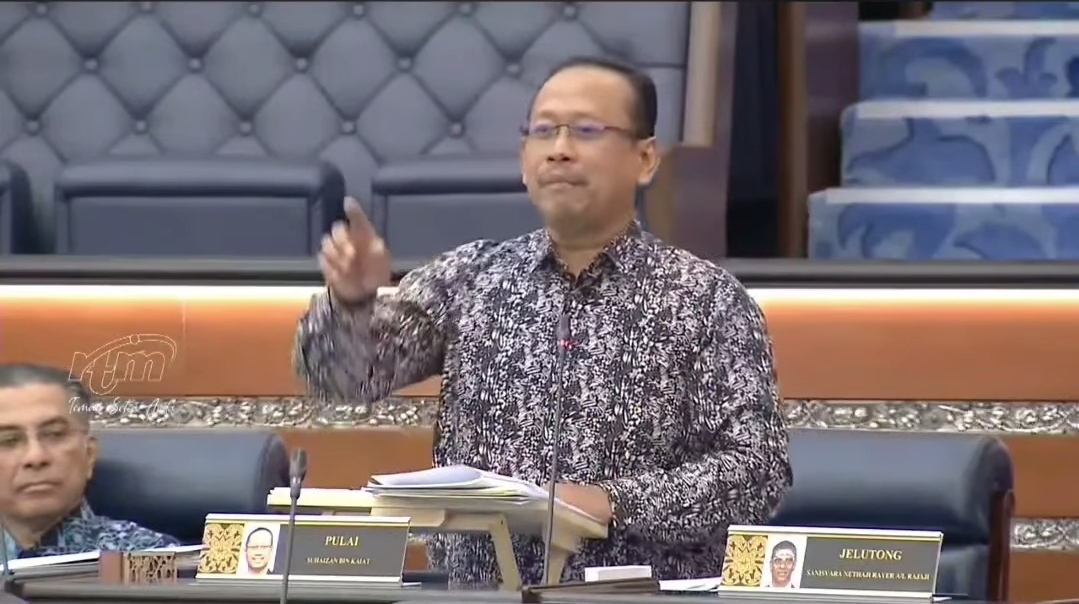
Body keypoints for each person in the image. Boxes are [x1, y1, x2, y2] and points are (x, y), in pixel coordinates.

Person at [294, 56, 792, 586]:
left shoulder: (706, 299)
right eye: (544, 131)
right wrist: (351, 302)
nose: (560, 148)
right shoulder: (470, 277)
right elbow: (342, 379)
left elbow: (757, 471)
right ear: (524, 157)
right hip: (482, 596)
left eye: (587, 130)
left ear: (645, 158)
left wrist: (613, 501)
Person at [0, 364, 180, 559]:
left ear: (89, 455)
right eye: (8, 440)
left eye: (54, 434)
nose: (36, 457)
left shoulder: (149, 555)